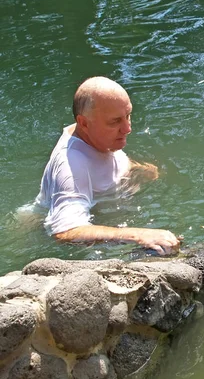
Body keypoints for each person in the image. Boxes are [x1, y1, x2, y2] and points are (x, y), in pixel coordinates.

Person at [34, 76, 180, 255]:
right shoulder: (72, 166)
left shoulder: (95, 136)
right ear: (84, 123)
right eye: (115, 121)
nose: (127, 128)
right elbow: (65, 231)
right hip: (45, 238)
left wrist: (136, 169)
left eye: (128, 116)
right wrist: (138, 235)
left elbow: (103, 161)